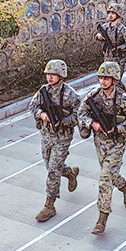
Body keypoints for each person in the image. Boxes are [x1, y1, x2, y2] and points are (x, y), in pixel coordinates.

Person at [78, 61, 126, 235]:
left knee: (105, 178)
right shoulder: (94, 95)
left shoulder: (123, 99)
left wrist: (118, 129)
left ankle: (102, 219)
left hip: (117, 143)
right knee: (111, 175)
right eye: (101, 78)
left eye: (107, 78)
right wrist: (93, 123)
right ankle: (125, 187)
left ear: (114, 80)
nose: (103, 81)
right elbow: (81, 112)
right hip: (100, 142)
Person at [29, 59, 81, 222]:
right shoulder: (43, 91)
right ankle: (70, 172)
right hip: (46, 135)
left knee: (53, 170)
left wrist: (63, 121)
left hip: (62, 137)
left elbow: (79, 115)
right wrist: (42, 114)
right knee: (49, 164)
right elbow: (32, 106)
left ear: (61, 75)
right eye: (48, 74)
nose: (50, 77)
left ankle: (49, 205)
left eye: (53, 74)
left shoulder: (71, 94)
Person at [96, 4, 126, 92]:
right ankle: (124, 91)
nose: (110, 15)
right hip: (107, 58)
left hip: (119, 59)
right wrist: (98, 36)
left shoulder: (122, 29)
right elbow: (96, 35)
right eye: (109, 13)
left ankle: (121, 96)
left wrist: (120, 47)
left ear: (118, 14)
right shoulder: (105, 27)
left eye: (113, 13)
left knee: (115, 82)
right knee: (110, 82)